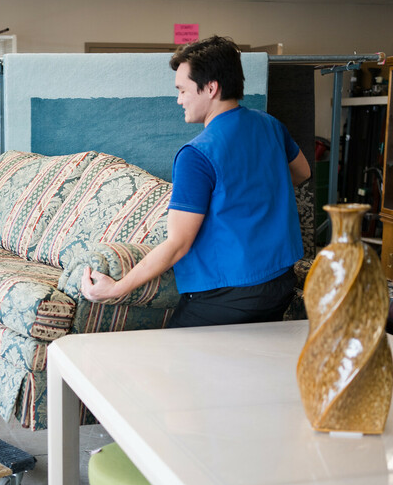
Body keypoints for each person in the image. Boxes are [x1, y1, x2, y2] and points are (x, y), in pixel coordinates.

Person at [81, 36, 311, 328]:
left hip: (225, 296)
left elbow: (177, 244)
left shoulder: (197, 154)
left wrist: (115, 288)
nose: (179, 100)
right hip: (279, 283)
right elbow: (302, 172)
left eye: (183, 90)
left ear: (211, 88)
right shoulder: (270, 125)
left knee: (167, 364)